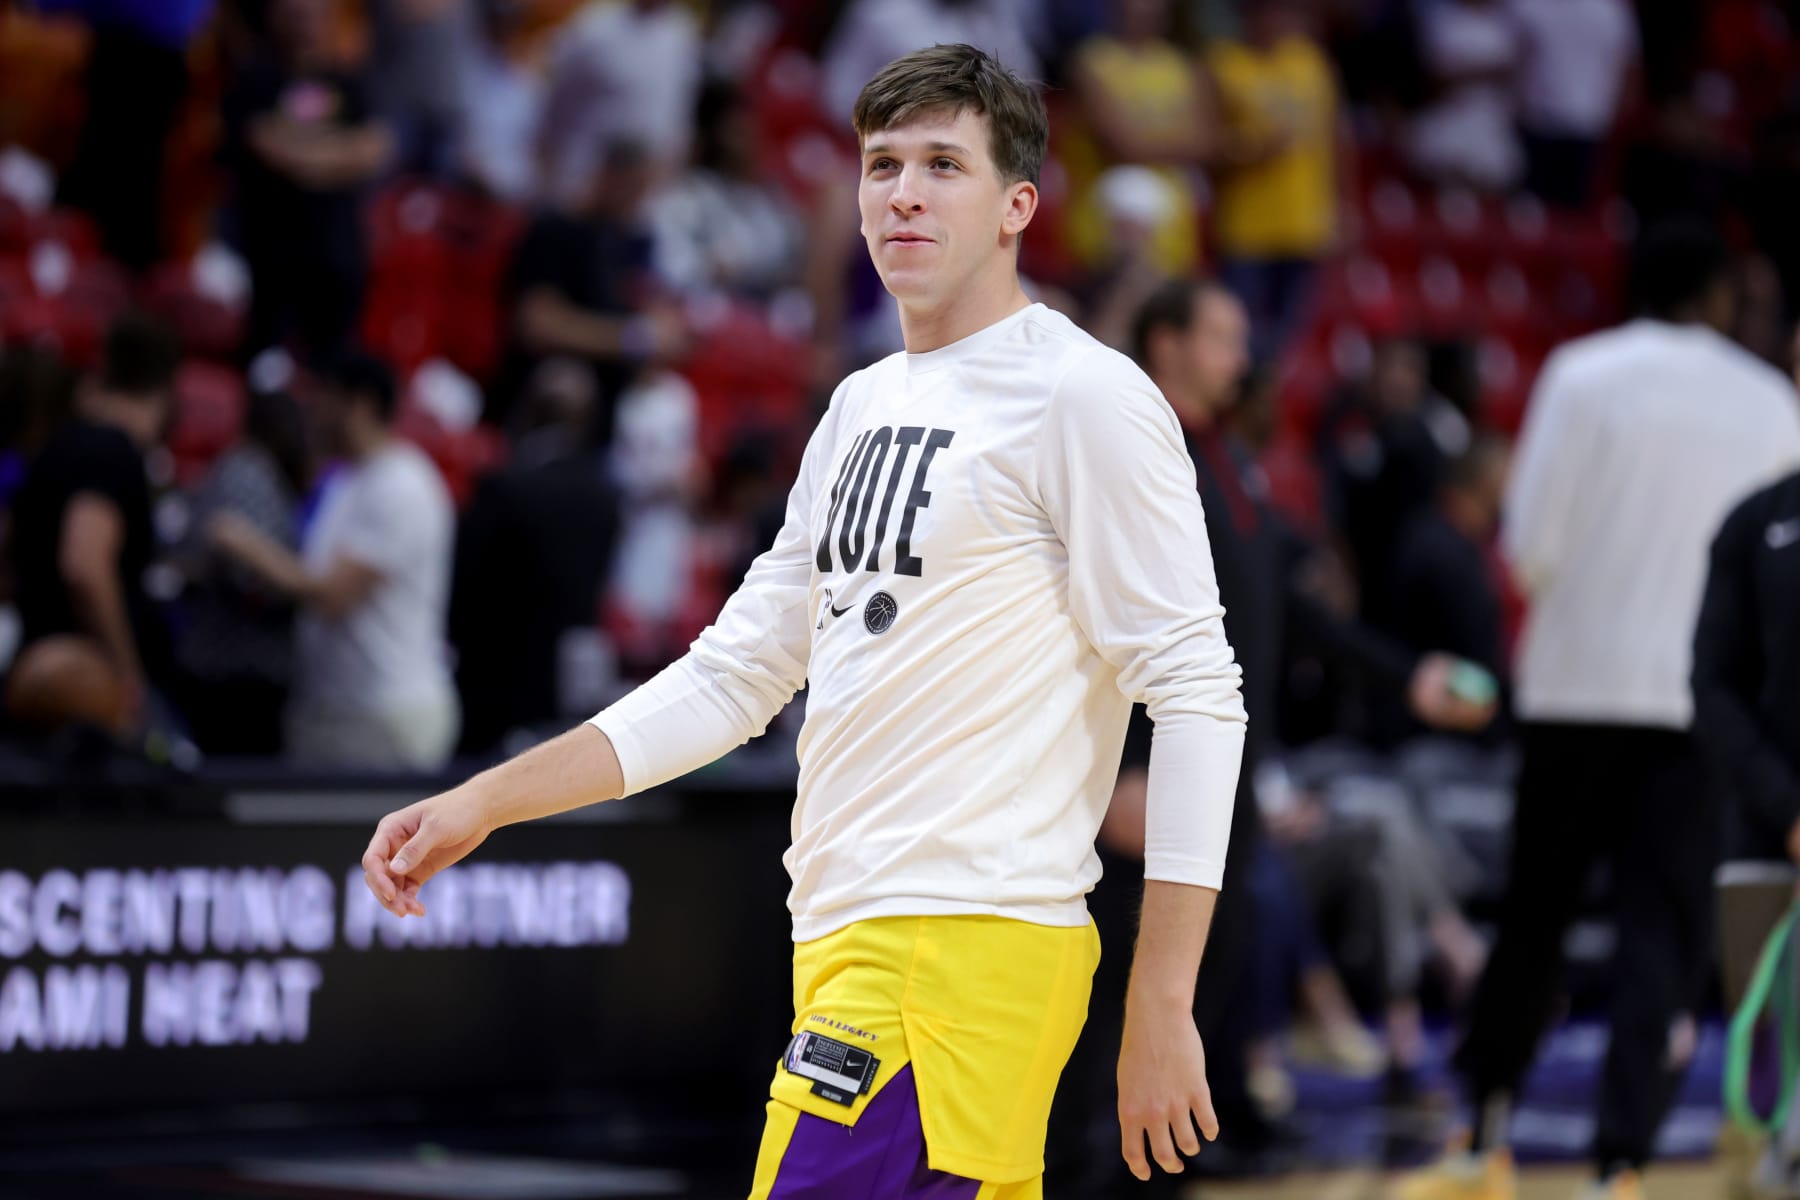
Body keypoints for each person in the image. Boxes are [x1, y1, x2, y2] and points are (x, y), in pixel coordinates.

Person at [362, 44, 1250, 1196]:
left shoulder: (1084, 393)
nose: (905, 194)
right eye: (883, 165)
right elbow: (736, 675)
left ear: (1016, 207)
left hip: (956, 953)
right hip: (850, 948)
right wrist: (485, 799)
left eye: (944, 165)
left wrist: (1163, 1001)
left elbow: (1195, 690)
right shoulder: (861, 405)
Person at [1055, 278, 1490, 1190]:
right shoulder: (1134, 446)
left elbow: (1287, 609)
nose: (1240, 357)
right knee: (1108, 1031)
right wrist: (1114, 771)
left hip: (1225, 782)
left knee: (1200, 1004)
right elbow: (1087, 612)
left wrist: (1405, 675)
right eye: (1221, 335)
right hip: (1147, 781)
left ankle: (1156, 1173)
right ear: (1166, 341)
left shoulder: (1223, 456)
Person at [1398, 220, 1800, 1200]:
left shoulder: (1580, 373)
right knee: (1662, 935)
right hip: (1697, 707)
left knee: (1535, 918)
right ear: (1718, 297)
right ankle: (1620, 1166)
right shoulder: (1772, 400)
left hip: (1577, 688)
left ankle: (1481, 1137)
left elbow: (1531, 544)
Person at [210, 351, 459, 771]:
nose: (313, 412)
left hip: (384, 715)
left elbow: (333, 595)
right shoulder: (343, 479)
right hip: (331, 709)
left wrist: (243, 542)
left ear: (360, 404)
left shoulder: (402, 485)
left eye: (324, 398)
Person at [7, 315, 180, 732]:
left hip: (39, 670)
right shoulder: (110, 450)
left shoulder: (59, 442)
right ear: (168, 391)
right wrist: (127, 674)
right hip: (79, 688)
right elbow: (84, 564)